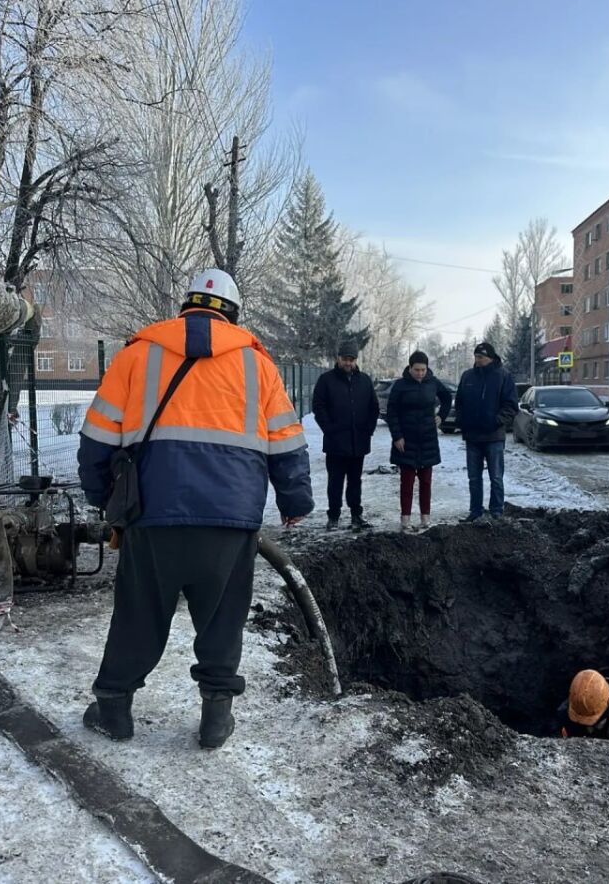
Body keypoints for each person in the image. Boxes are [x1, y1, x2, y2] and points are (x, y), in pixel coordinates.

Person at [76, 269, 313, 749]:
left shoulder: (136, 355)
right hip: (231, 518)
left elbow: (96, 439)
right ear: (233, 312)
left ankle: (114, 708)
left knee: (138, 614)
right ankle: (215, 716)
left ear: (187, 305)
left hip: (152, 513)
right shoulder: (257, 365)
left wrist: (104, 497)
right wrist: (294, 501)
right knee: (222, 616)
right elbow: (287, 442)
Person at [313, 341, 380, 532]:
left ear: (356, 360)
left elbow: (373, 407)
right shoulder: (326, 380)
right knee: (335, 481)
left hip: (358, 441)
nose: (348, 363)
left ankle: (356, 515)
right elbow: (318, 406)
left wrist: (368, 429)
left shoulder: (365, 381)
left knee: (355, 480)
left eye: (351, 360)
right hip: (336, 442)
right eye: (345, 359)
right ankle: (333, 516)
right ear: (338, 359)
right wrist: (329, 428)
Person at [386, 350, 453, 532]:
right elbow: (391, 412)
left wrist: (441, 416)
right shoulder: (400, 385)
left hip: (427, 439)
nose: (420, 374)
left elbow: (447, 398)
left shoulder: (433, 383)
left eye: (423, 370)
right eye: (417, 370)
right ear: (409, 368)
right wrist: (397, 436)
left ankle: (425, 517)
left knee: (426, 482)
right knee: (407, 482)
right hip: (406, 440)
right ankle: (405, 519)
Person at [454, 342, 518, 522]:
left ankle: (496, 511)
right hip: (472, 436)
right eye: (475, 356)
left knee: (496, 477)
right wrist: (462, 422)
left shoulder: (503, 376)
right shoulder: (468, 376)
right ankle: (475, 511)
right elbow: (459, 403)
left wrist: (496, 421)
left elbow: (511, 405)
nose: (477, 360)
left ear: (490, 357)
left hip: (494, 436)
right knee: (474, 478)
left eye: (480, 357)